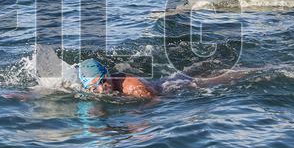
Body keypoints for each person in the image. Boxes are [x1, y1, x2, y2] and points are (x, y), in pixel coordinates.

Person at [77, 58, 249, 99]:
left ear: (106, 76)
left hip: (175, 86)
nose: (99, 91)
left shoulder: (133, 88)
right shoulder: (104, 84)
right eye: (92, 89)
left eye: (100, 84)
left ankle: (257, 69)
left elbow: (157, 100)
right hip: (167, 79)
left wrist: (139, 115)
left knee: (217, 79)